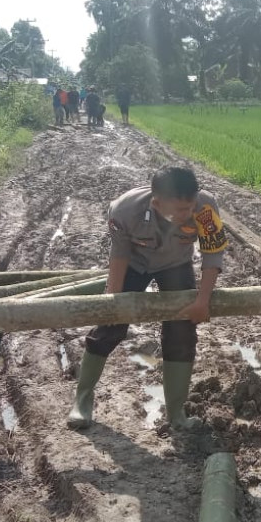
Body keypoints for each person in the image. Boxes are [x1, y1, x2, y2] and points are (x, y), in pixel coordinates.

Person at [67, 166, 228, 431]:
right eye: (178, 210)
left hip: (176, 264)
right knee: (110, 327)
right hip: (135, 263)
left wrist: (202, 301)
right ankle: (82, 400)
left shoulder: (205, 207)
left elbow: (212, 255)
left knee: (181, 332)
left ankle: (176, 413)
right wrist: (113, 304)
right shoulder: (124, 211)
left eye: (189, 208)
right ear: (156, 203)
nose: (186, 215)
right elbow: (119, 256)